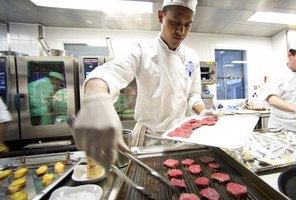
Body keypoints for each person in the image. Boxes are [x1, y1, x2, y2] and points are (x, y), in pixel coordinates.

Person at [71, 0, 216, 171]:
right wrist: (96, 97)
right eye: (175, 22)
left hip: (181, 139)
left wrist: (202, 111)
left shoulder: (191, 56)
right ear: (161, 16)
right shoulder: (141, 50)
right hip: (149, 140)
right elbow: (110, 72)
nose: (181, 31)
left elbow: (193, 95)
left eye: (187, 25)